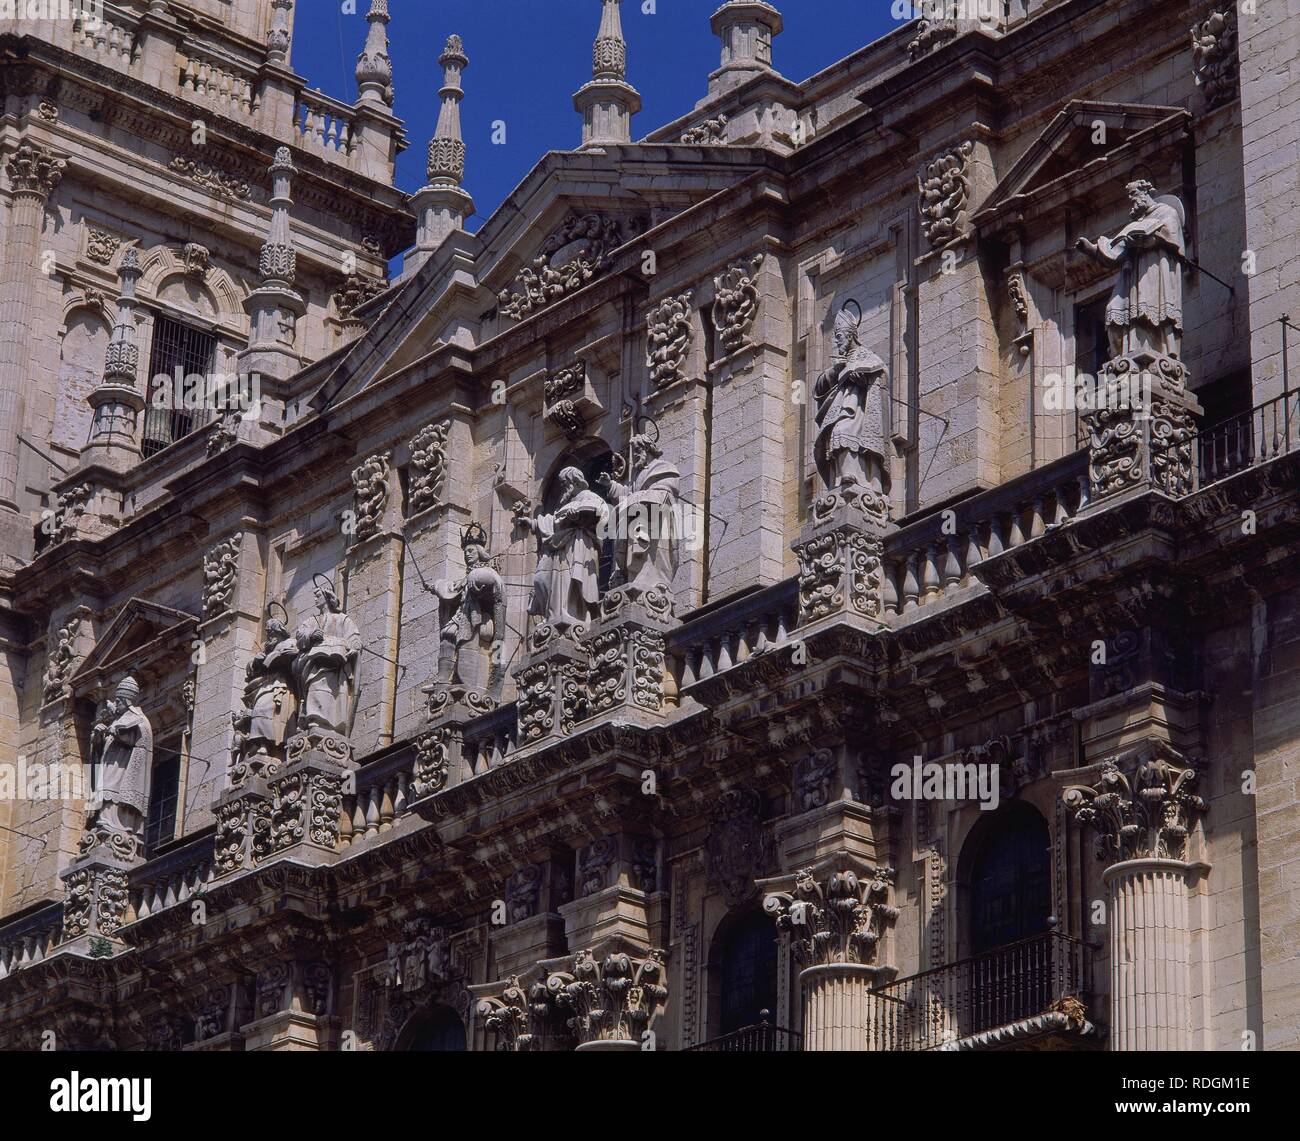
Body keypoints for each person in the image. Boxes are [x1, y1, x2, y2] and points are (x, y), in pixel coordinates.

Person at [1075, 180, 1186, 360]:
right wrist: (1090, 249)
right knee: (1114, 310)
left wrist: (1148, 239)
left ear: (1145, 194)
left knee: (1150, 311)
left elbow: (1172, 236)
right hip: (1131, 275)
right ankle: (1122, 358)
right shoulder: (1135, 224)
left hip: (1156, 271)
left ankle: (1153, 353)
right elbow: (1114, 254)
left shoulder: (1167, 212)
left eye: (1133, 197)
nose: (1132, 202)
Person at [519, 466, 609, 633]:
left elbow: (600, 511)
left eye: (564, 483)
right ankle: (560, 614)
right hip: (562, 549)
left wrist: (577, 516)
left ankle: (577, 616)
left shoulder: (587, 496)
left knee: (572, 580)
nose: (563, 488)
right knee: (557, 581)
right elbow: (553, 521)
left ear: (573, 482)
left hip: (580, 544)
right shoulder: (569, 503)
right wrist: (533, 524)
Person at [88, 676, 154, 850]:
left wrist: (116, 732)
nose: (115, 704)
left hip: (123, 767)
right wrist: (98, 736)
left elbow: (138, 740)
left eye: (118, 701)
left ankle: (115, 825)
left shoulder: (139, 720)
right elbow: (101, 749)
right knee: (106, 790)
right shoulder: (118, 719)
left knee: (113, 791)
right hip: (111, 764)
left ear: (127, 701)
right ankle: (106, 823)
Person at [292, 577, 361, 735]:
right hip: (315, 665)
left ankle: (329, 725)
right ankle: (315, 721)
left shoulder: (342, 619)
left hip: (334, 665)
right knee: (316, 688)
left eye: (318, 596)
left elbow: (354, 638)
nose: (315, 599)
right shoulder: (312, 620)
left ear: (327, 598)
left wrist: (353, 648)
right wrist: (310, 634)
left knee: (332, 694)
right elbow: (300, 634)